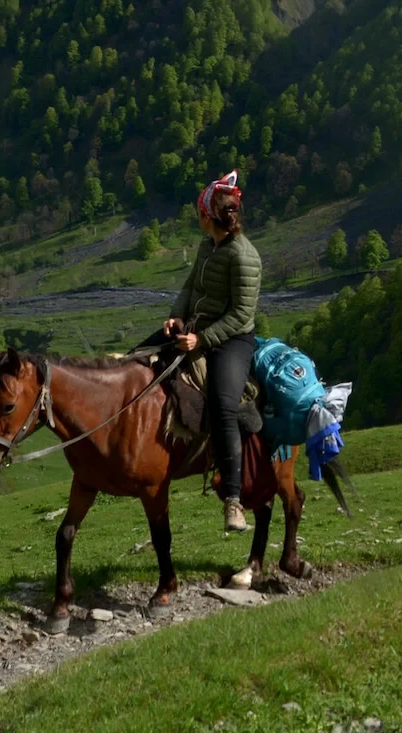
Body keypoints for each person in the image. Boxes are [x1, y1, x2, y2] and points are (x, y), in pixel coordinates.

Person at [162, 171, 262, 531]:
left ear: (209, 216)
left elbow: (240, 315)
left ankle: (233, 501)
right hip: (195, 329)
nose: (196, 216)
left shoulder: (245, 258)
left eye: (198, 211)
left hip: (231, 340)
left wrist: (202, 340)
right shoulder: (208, 246)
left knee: (223, 404)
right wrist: (176, 315)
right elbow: (192, 286)